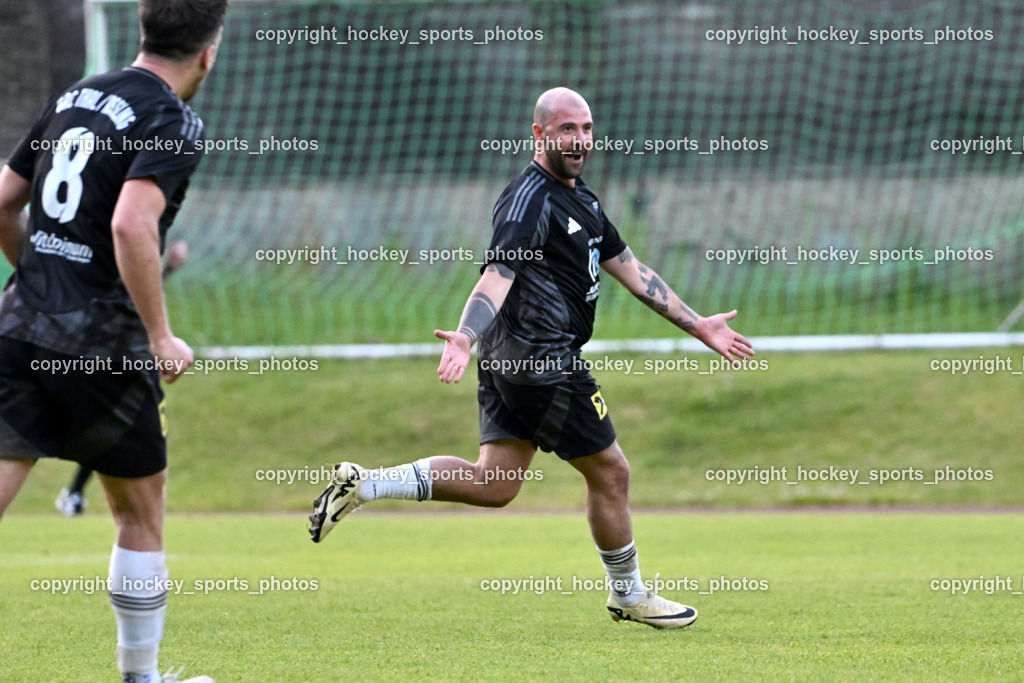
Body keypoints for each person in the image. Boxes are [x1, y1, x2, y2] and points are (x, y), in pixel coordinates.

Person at [309, 87, 755, 629]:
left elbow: (631, 269)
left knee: (494, 483)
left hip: (512, 361)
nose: (581, 139)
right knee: (612, 473)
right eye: (568, 129)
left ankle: (368, 483)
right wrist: (466, 335)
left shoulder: (582, 200)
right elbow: (497, 274)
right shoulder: (530, 200)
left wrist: (698, 322)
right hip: (542, 361)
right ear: (540, 134)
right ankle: (629, 594)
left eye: (587, 128)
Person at [0, 1, 227, 680]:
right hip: (102, 345)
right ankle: (141, 677)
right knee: (139, 508)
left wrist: (40, 276)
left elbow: (3, 202)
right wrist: (160, 335)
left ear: (142, 29)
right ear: (208, 53)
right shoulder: (173, 119)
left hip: (18, 327)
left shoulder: (77, 95)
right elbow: (133, 224)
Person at [55, 241, 190, 518]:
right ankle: (78, 495)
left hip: (132, 359)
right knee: (104, 434)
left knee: (118, 436)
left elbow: (141, 288)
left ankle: (79, 494)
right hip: (109, 361)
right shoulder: (100, 272)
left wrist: (170, 269)